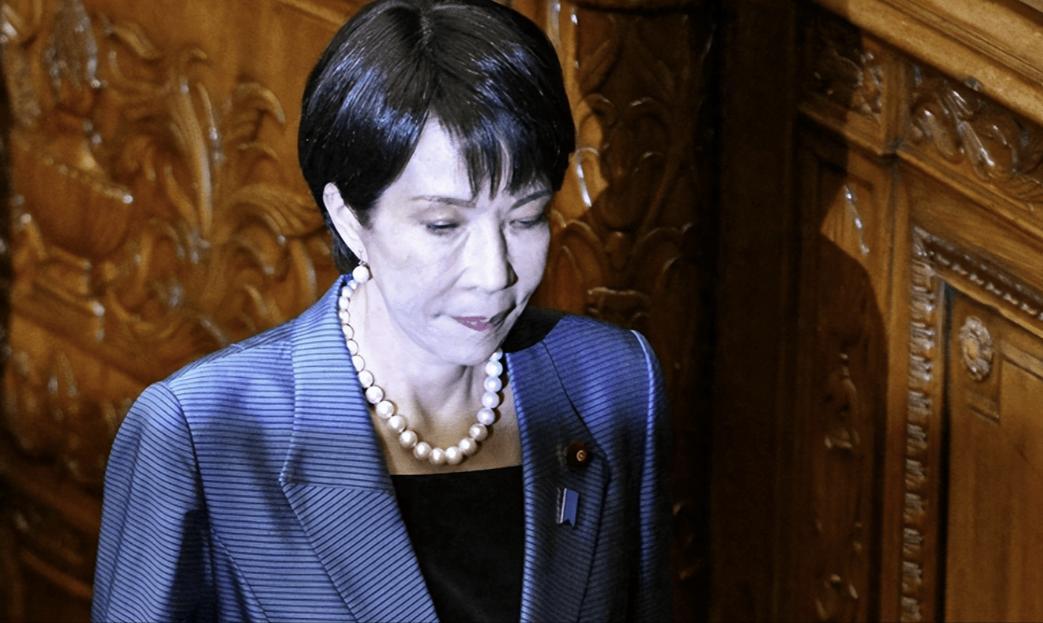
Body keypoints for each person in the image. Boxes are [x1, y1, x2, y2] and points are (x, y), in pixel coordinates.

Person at [91, 0, 671, 621]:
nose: (494, 273)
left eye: (525, 218)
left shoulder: (615, 384)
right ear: (349, 219)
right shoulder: (199, 434)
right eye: (444, 225)